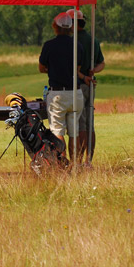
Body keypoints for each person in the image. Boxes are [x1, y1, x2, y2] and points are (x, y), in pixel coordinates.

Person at [38, 12, 84, 162]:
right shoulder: (78, 45)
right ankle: (76, 165)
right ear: (70, 27)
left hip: (58, 93)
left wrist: (51, 69)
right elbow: (77, 68)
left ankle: (61, 164)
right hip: (75, 93)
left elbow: (41, 67)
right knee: (74, 132)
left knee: (57, 131)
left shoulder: (49, 45)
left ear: (55, 27)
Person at [67, 9, 105, 164]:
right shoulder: (93, 40)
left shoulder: (74, 41)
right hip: (91, 86)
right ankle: (89, 160)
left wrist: (84, 77)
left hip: (80, 86)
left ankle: (80, 162)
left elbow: (73, 69)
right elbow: (101, 63)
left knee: (81, 125)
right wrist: (93, 72)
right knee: (90, 125)